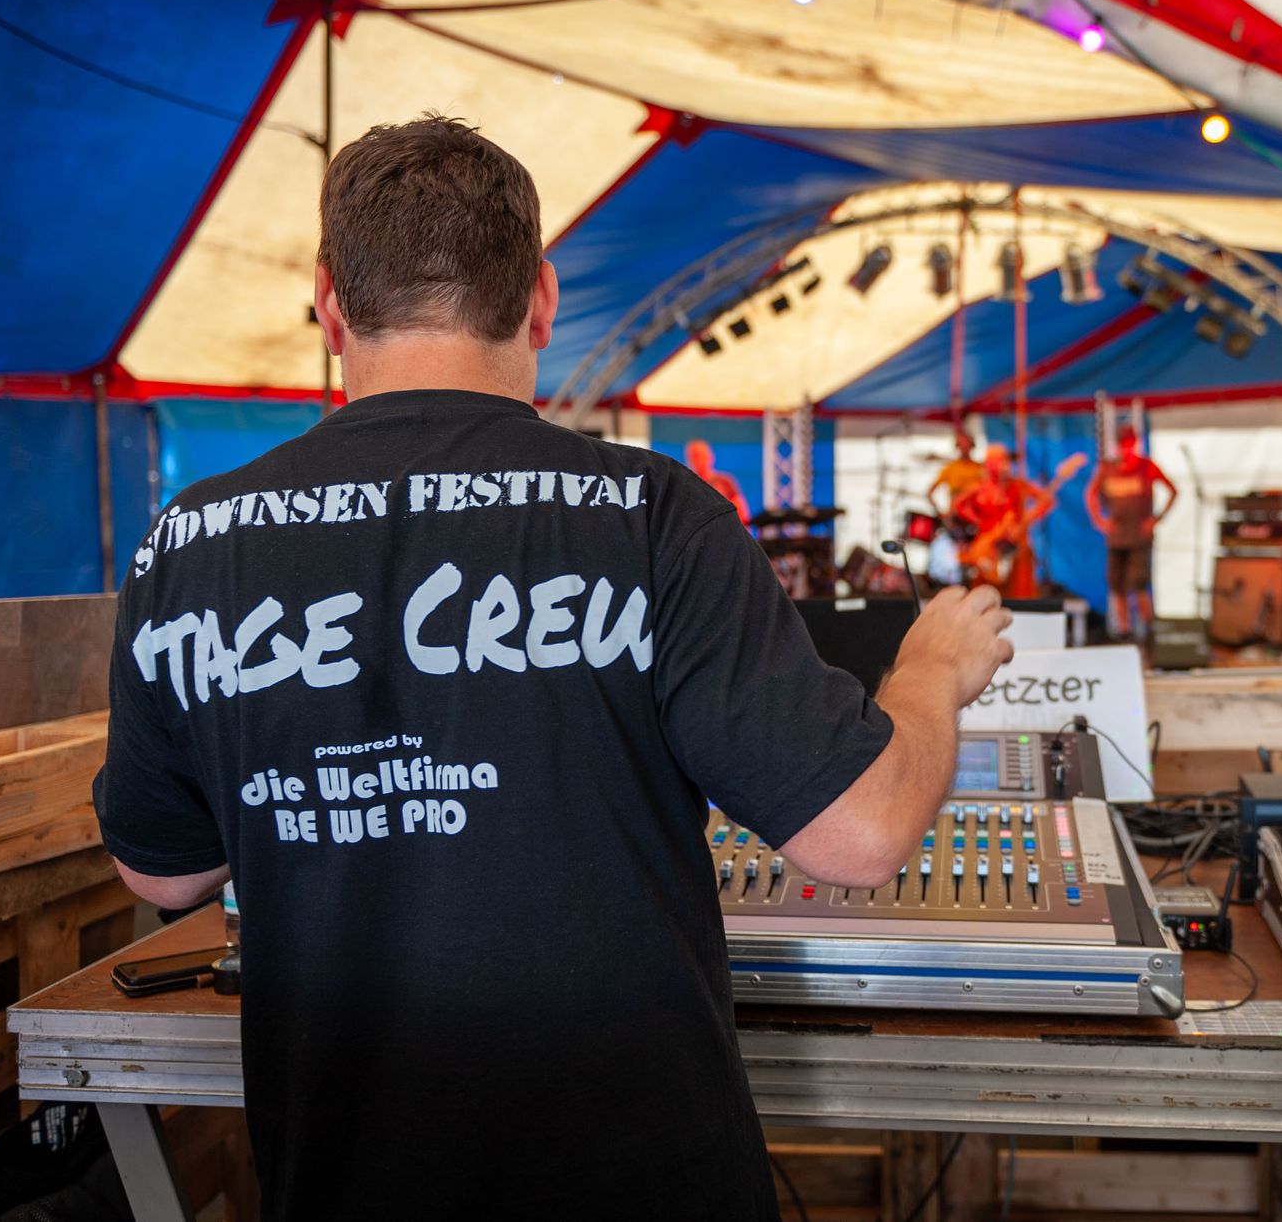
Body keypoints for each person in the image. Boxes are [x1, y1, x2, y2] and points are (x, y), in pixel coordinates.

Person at [92, 115, 1014, 1221]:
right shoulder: (650, 515)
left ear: (331, 305)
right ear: (540, 298)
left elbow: (162, 871)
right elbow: (859, 831)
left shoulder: (192, 544)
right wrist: (928, 669)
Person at [1087, 425, 1178, 641]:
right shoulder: (1108, 468)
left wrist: (1156, 519)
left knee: (1137, 586)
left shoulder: (1146, 466)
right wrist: (1099, 520)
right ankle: (1125, 631)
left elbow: (1173, 490)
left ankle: (1151, 632)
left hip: (1138, 537)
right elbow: (1090, 493)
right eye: (1123, 444)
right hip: (1116, 537)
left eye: (1129, 443)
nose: (1126, 448)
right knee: (1117, 586)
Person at [954, 444, 1054, 599]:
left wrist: (1027, 521)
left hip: (1014, 542)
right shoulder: (979, 487)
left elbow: (1046, 501)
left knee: (1020, 586)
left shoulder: (1017, 485)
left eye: (1001, 461)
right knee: (984, 588)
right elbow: (959, 505)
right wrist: (978, 521)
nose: (998, 466)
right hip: (988, 545)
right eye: (993, 462)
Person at [684, 437, 751, 524]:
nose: (698, 460)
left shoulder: (725, 481)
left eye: (700, 456)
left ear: (711, 457)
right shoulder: (685, 484)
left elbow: (741, 512)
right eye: (694, 456)